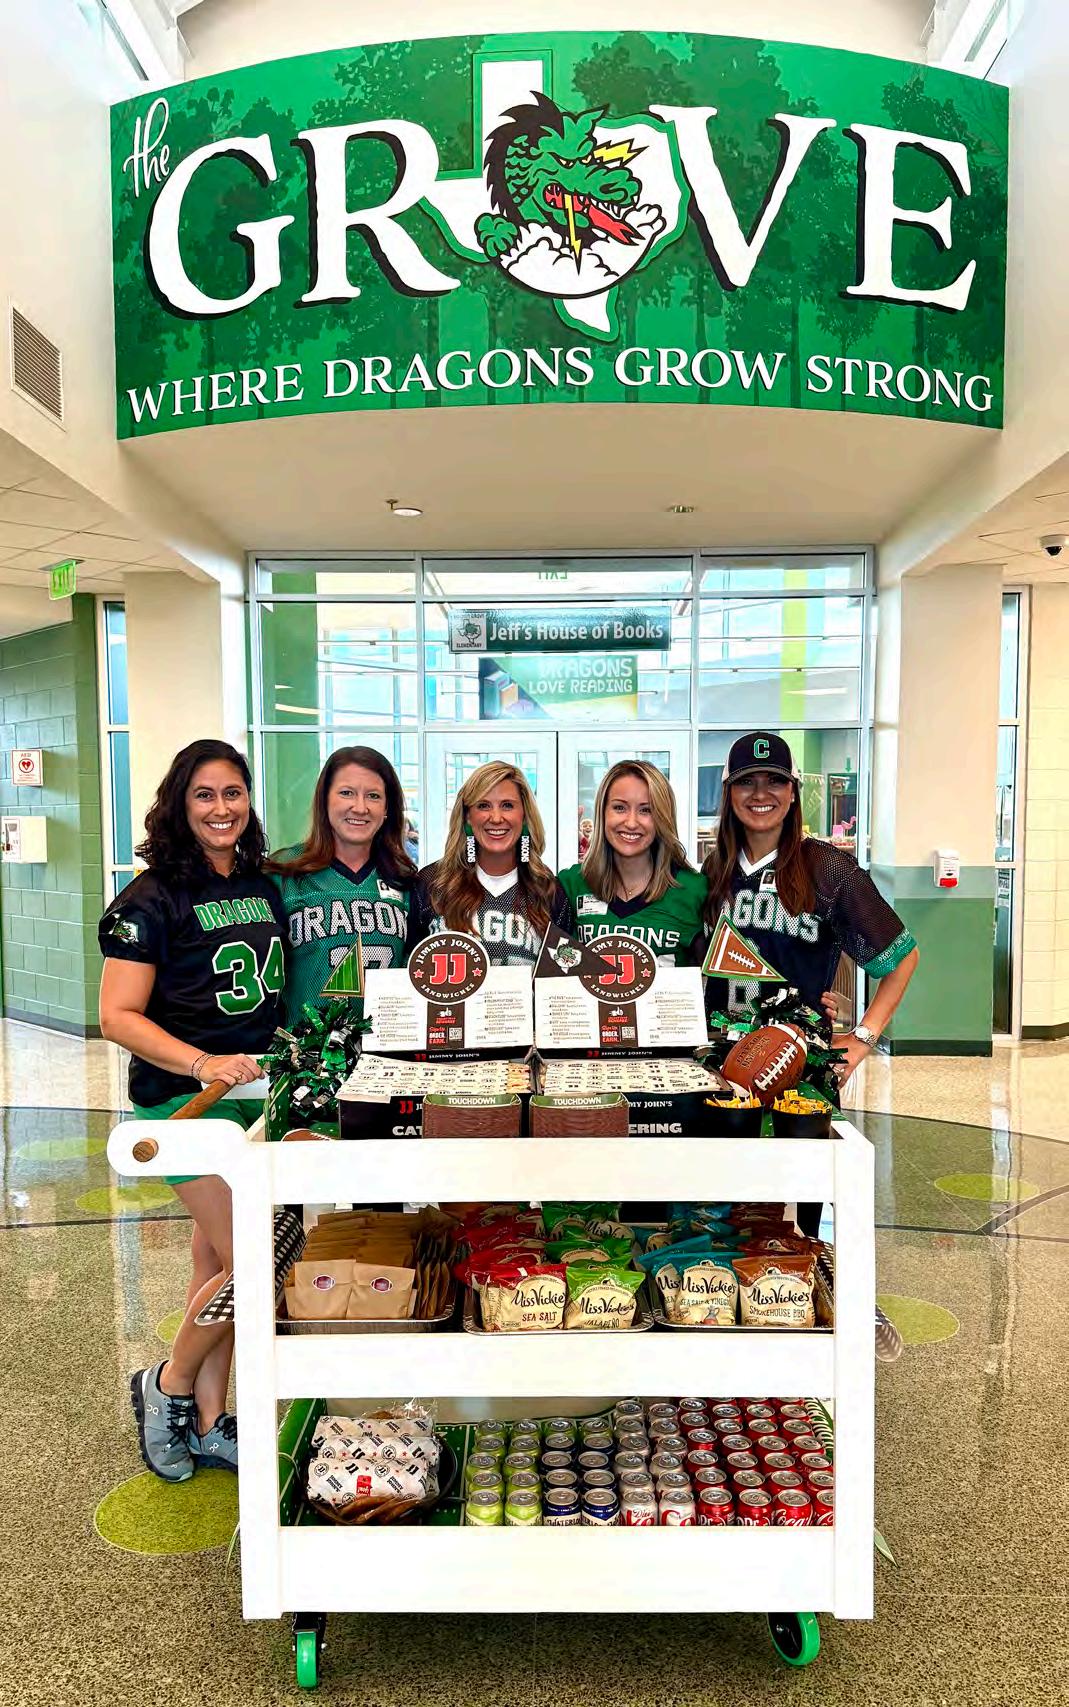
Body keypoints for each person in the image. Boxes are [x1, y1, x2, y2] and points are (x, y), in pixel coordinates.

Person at [98, 739, 288, 1482]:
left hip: (246, 1101)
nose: (221, 807)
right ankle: (169, 1383)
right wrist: (201, 1061)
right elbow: (117, 1015)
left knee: (218, 1263)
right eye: (204, 794)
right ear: (179, 803)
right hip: (185, 1101)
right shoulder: (150, 896)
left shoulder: (257, 881)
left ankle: (209, 1421)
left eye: (233, 792)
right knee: (255, 1260)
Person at [698, 731, 919, 1235]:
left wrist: (861, 1039)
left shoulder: (828, 867)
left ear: (793, 791)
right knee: (723, 1216)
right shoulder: (713, 870)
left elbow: (902, 957)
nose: (761, 794)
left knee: (792, 1226)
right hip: (722, 1066)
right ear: (728, 793)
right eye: (746, 782)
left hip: (797, 1068)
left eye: (774, 781)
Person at [269, 746, 417, 1024]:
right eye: (347, 793)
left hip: (383, 1046)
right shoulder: (284, 871)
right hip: (302, 1047)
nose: (360, 807)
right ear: (324, 799)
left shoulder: (405, 880)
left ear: (387, 808)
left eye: (373, 796)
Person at [407, 761, 571, 964]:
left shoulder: (548, 889)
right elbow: (407, 968)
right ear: (468, 816)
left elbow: (563, 974)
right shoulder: (432, 881)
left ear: (524, 816)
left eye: (507, 805)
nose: (496, 818)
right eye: (483, 806)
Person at [558, 760, 706, 965]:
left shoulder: (694, 890)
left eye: (646, 810)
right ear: (602, 812)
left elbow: (708, 978)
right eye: (619, 808)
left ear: (662, 817)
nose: (631, 822)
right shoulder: (570, 884)